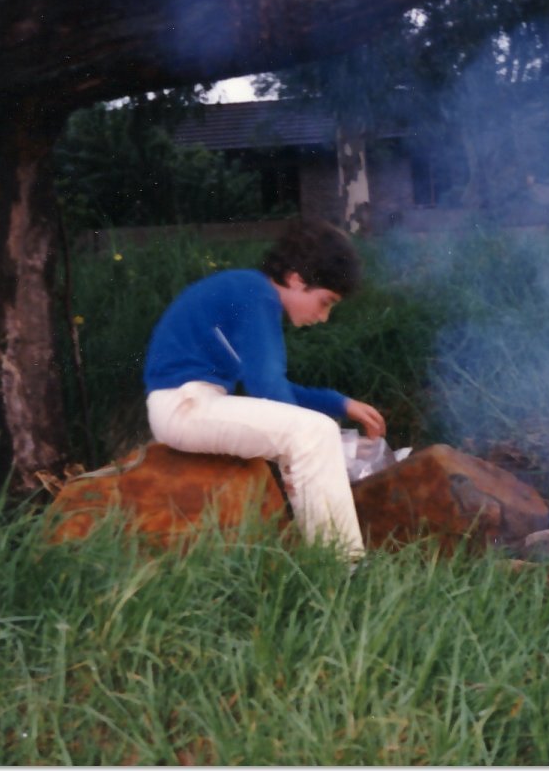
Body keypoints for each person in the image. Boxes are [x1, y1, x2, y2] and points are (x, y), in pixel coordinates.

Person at [143, 218, 385, 563]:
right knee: (314, 433)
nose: (324, 316)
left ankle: (334, 561)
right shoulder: (255, 293)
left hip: (191, 402)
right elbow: (268, 388)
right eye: (325, 302)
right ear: (296, 279)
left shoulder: (248, 291)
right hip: (184, 404)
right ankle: (341, 570)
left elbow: (272, 389)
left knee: (313, 431)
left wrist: (340, 403)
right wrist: (311, 448)